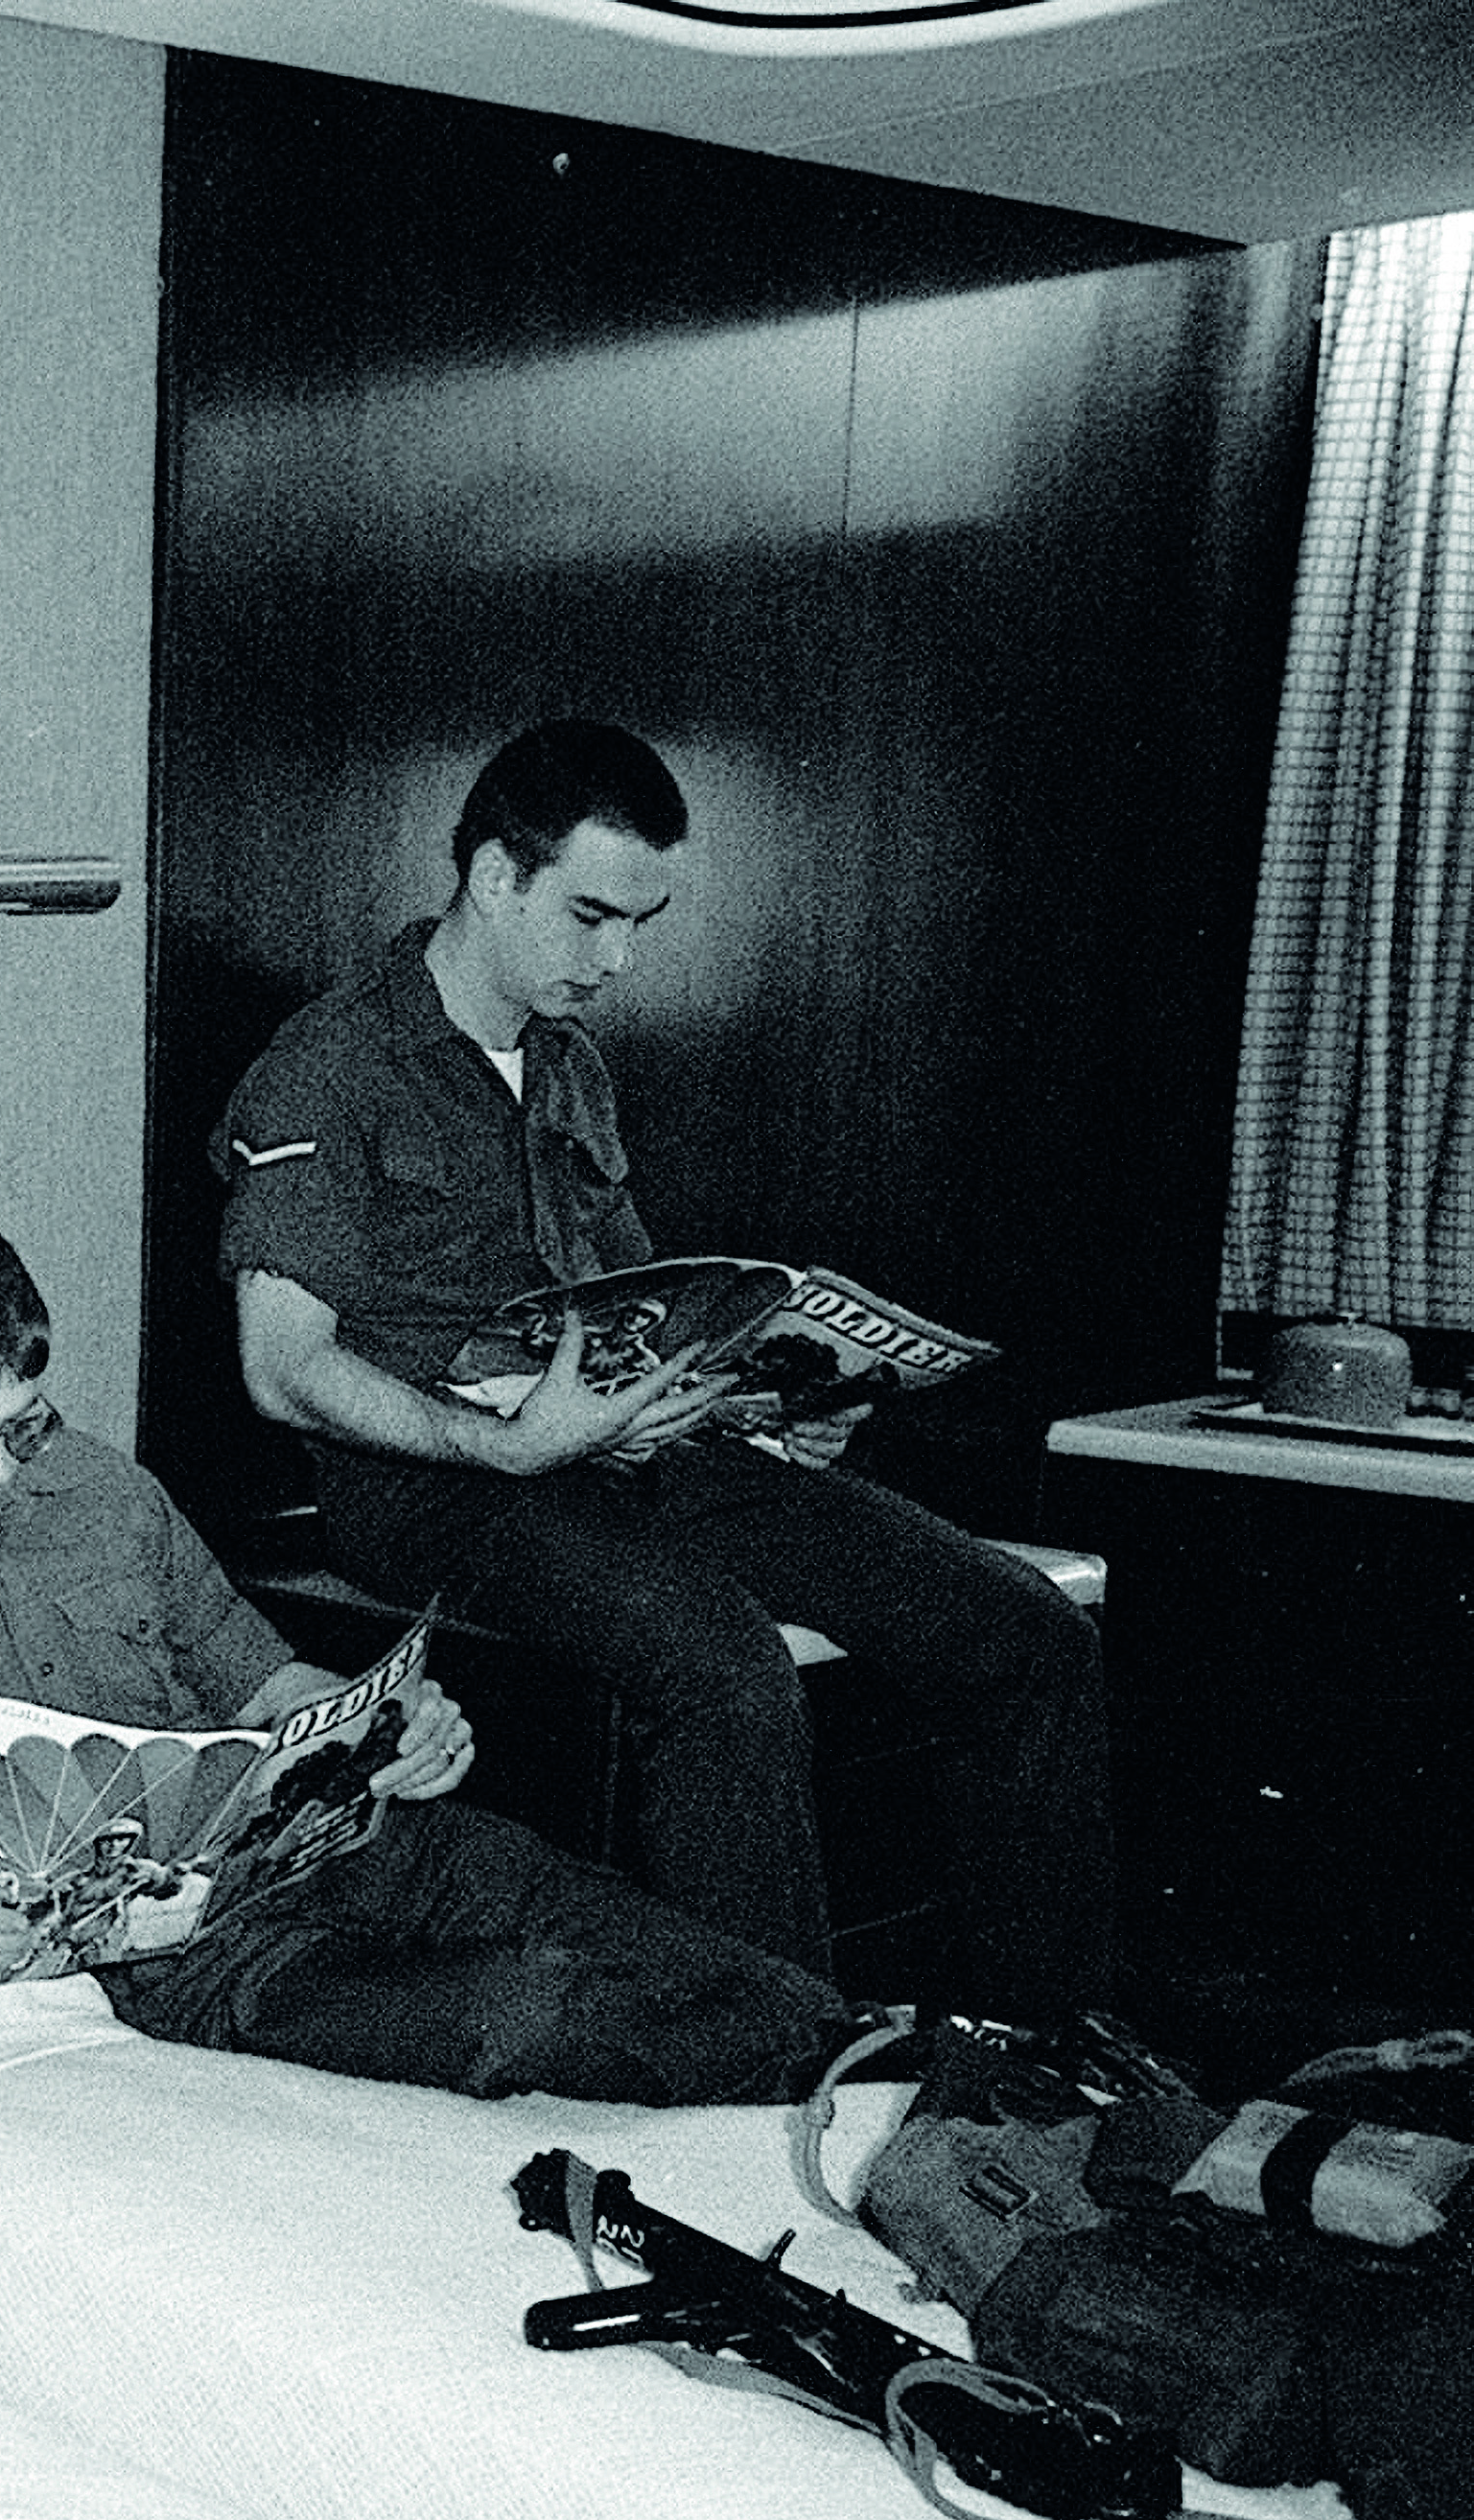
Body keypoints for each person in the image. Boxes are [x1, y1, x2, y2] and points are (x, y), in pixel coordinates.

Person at [212, 719, 1111, 2017]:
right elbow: (281, 1366)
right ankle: (776, 2070)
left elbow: (640, 1308)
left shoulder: (570, 1065)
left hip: (627, 1457)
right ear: (493, 877)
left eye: (641, 920)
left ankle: (1053, 2055)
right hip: (439, 1485)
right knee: (723, 1671)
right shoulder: (331, 1065)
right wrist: (507, 1444)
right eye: (589, 915)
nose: (618, 958)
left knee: (1027, 1631)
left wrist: (769, 1399)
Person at [0, 1208, 847, 2102]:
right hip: (193, 1959)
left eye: (21, 1422)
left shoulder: (97, 1488)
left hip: (330, 1837)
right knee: (515, 2014)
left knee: (646, 1930)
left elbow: (257, 1671)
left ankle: (903, 2079)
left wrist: (379, 1724)